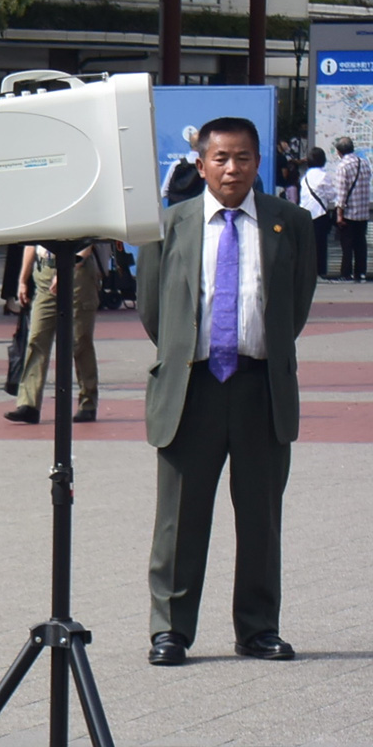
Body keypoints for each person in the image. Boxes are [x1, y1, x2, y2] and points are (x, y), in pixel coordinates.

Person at [137, 116, 315, 667]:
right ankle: (171, 630)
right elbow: (152, 308)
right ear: (201, 164)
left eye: (242, 158)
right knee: (180, 519)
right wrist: (184, 352)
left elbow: (296, 306)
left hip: (261, 386)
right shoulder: (168, 224)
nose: (232, 168)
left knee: (260, 516)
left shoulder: (290, 223)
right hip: (192, 388)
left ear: (258, 163)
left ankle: (258, 629)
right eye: (221, 158)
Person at [3, 242, 100, 424]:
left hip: (77, 271)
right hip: (44, 271)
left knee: (80, 340)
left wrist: (67, 270)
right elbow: (31, 243)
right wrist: (22, 280)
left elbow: (86, 245)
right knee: (37, 338)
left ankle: (88, 402)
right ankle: (28, 404)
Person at [333, 136, 370, 282]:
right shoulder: (364, 163)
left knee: (347, 245)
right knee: (361, 244)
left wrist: (339, 215)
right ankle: (360, 273)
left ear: (339, 151)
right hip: (363, 212)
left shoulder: (343, 167)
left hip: (349, 213)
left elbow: (341, 193)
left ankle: (346, 274)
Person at [298, 147, 334, 279]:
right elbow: (331, 195)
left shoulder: (305, 177)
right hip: (320, 213)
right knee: (320, 245)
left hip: (305, 214)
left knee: (307, 245)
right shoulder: (324, 176)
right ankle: (320, 271)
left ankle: (307, 272)